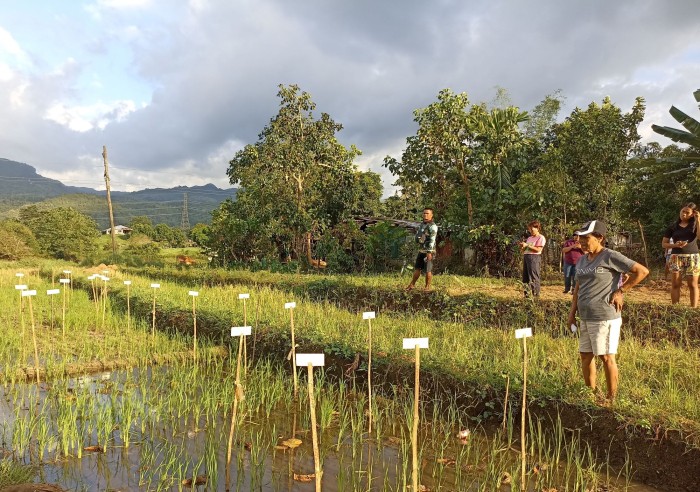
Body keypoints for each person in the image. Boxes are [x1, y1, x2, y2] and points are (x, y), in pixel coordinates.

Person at [567, 220, 649, 404]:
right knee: (586, 355)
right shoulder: (581, 260)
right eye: (580, 238)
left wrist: (620, 291)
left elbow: (642, 271)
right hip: (585, 316)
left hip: (604, 316)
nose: (581, 242)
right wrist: (572, 314)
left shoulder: (610, 256)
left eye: (586, 238)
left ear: (600, 238)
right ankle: (591, 395)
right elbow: (577, 288)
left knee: (605, 357)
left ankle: (611, 399)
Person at [662, 203, 700, 307]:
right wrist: (675, 245)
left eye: (687, 213)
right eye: (683, 211)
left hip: (693, 257)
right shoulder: (672, 227)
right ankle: (675, 308)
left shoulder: (695, 225)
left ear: (692, 214)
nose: (684, 214)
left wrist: (699, 220)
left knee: (692, 284)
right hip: (675, 257)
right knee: (675, 284)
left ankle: (693, 309)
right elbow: (664, 244)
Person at [406, 208, 438, 291]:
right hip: (421, 250)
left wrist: (429, 252)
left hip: (429, 251)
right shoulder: (422, 225)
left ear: (431, 215)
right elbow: (417, 237)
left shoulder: (433, 226)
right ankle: (412, 284)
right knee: (417, 268)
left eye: (427, 213)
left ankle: (427, 287)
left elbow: (432, 239)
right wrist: (418, 239)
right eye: (424, 213)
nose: (425, 215)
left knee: (428, 269)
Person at [519, 220, 545, 297]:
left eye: (532, 229)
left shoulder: (541, 237)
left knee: (534, 277)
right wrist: (522, 247)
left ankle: (536, 295)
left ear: (537, 228)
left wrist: (527, 245)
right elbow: (526, 249)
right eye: (530, 229)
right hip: (526, 256)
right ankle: (526, 295)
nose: (530, 231)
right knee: (525, 277)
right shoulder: (529, 238)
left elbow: (538, 249)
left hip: (534, 257)